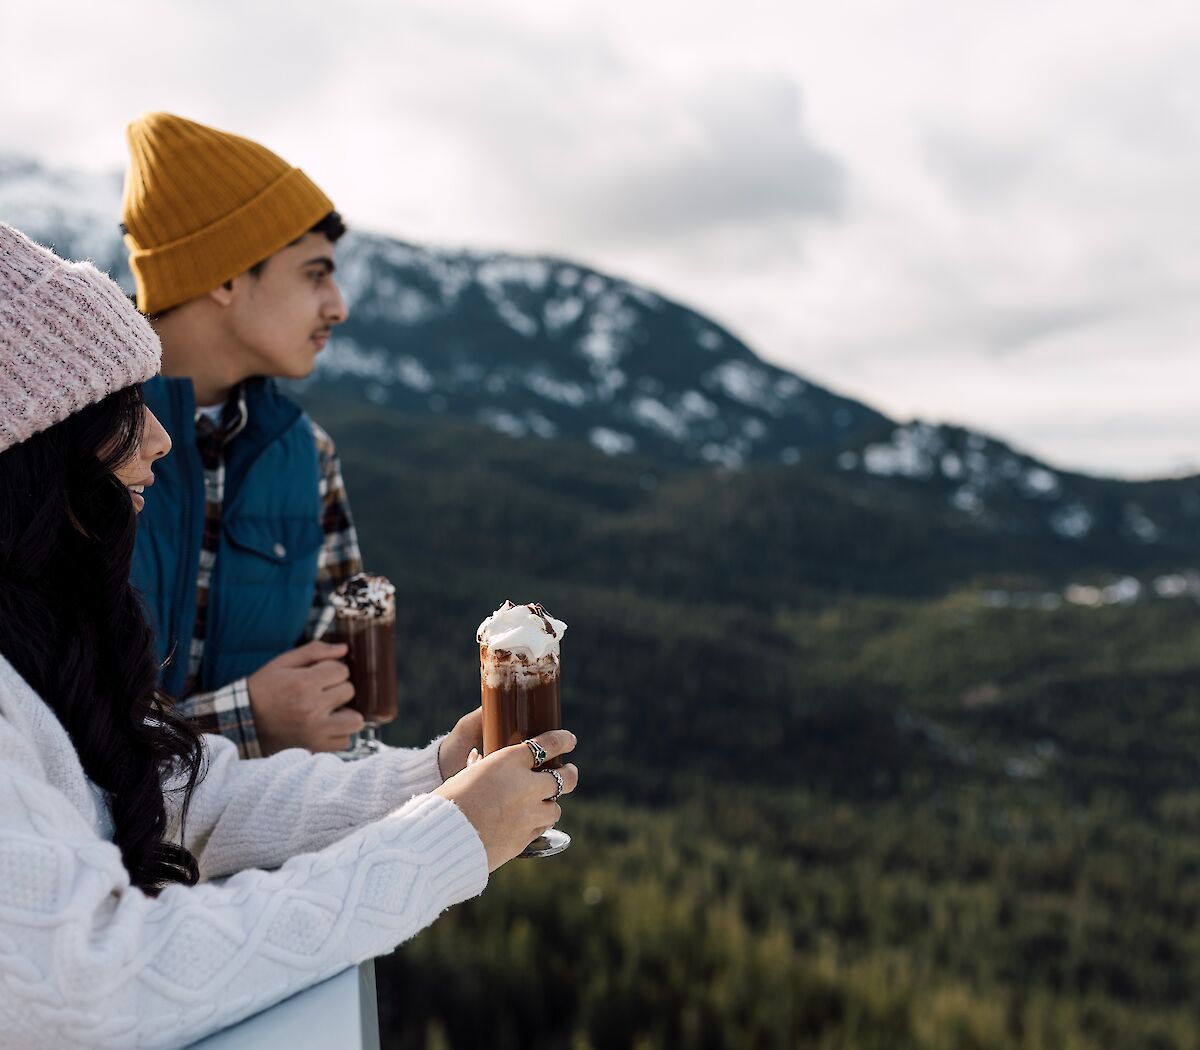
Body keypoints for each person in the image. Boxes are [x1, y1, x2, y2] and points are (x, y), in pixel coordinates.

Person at [0, 223, 579, 1049]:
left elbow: (183, 794)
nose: (159, 437)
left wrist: (434, 776)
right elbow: (89, 987)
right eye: (122, 410)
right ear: (34, 456)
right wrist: (443, 841)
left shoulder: (35, 643)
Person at [122, 112, 370, 756]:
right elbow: (42, 723)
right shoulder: (67, 445)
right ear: (226, 276)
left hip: (266, 851)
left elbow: (343, 707)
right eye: (314, 273)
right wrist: (243, 720)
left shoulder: (308, 456)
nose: (337, 305)